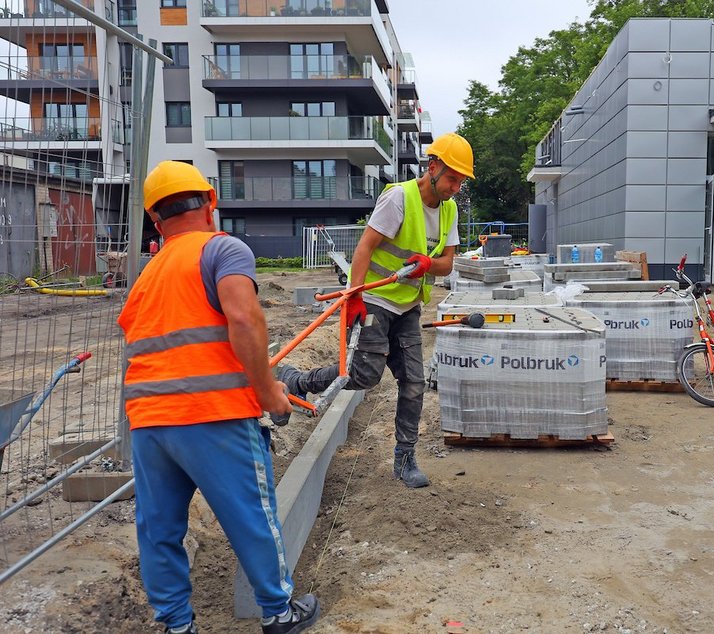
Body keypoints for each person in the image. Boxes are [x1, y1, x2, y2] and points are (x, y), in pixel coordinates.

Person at [118, 161, 320, 634]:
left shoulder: (146, 277)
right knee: (252, 515)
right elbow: (245, 320)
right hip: (214, 414)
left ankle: (175, 625)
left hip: (148, 423)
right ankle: (278, 612)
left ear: (155, 220)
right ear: (211, 203)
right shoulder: (222, 249)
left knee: (159, 531)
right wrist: (269, 392)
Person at [278, 132, 474, 488]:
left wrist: (427, 264)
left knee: (414, 383)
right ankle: (296, 381)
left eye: (460, 181)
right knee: (365, 375)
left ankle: (404, 459)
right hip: (375, 299)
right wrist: (353, 296)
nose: (455, 188)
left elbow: (448, 263)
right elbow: (365, 247)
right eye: (451, 179)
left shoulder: (450, 210)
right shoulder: (399, 197)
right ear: (433, 168)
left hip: (408, 305)